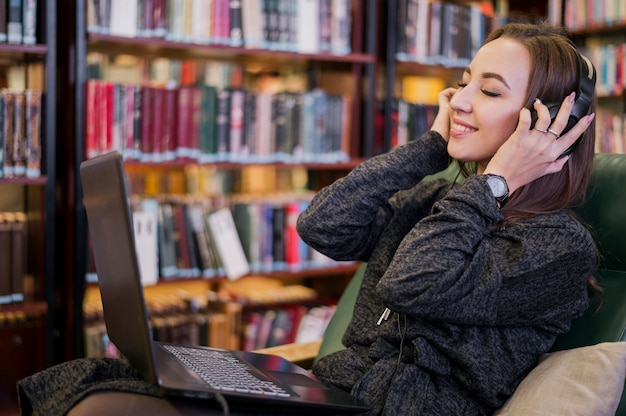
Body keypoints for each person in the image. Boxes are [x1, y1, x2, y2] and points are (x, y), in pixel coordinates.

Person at [296, 22, 598, 415]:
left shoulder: (557, 246)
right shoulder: (438, 201)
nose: (457, 100)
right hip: (335, 398)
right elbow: (322, 225)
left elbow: (412, 283)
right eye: (464, 82)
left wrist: (493, 184)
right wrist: (432, 150)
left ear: (555, 122)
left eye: (489, 91)